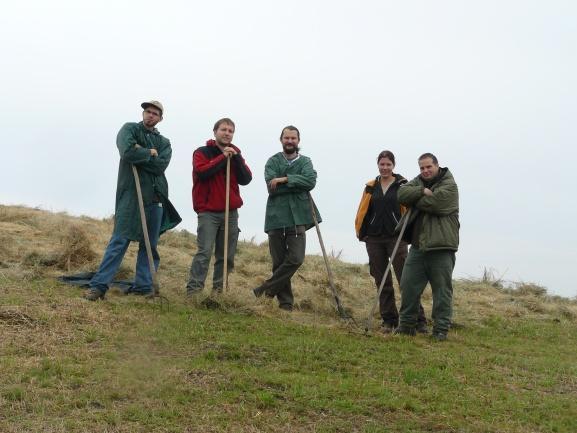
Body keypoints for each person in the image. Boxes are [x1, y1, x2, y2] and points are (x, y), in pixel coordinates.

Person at [85, 101, 181, 301]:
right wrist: (148, 153)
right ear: (143, 113)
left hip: (155, 197)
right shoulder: (129, 129)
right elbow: (126, 151)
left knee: (150, 244)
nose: (151, 115)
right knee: (120, 239)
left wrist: (140, 152)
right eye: (148, 111)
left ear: (160, 119)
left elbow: (159, 167)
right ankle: (98, 286)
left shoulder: (164, 142)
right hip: (131, 196)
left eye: (155, 113)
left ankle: (144, 286)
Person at [355, 150, 428, 333]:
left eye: (388, 164)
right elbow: (363, 210)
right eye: (382, 164)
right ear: (378, 165)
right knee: (381, 280)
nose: (385, 167)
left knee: (406, 280)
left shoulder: (403, 184)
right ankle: (389, 319)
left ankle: (418, 320)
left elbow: (413, 205)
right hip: (374, 238)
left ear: (393, 166)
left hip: (397, 237)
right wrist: (361, 232)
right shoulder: (371, 186)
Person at [253, 126, 320, 311]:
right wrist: (296, 182)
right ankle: (286, 304)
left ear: (298, 140)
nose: (290, 141)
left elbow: (310, 182)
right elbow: (270, 185)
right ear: (281, 140)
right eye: (286, 138)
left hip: (299, 217)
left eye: (293, 138)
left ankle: (264, 291)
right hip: (276, 217)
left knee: (296, 259)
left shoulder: (306, 161)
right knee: (278, 262)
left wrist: (283, 180)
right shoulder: (273, 161)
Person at [395, 153, 459, 340]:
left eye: (428, 167)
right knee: (408, 286)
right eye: (422, 168)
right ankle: (406, 326)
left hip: (441, 248)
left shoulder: (450, 185)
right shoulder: (419, 182)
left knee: (441, 291)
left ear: (437, 165)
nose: (425, 171)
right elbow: (401, 194)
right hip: (417, 247)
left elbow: (437, 204)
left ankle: (440, 329)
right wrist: (422, 192)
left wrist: (414, 199)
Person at [186, 118, 252, 296]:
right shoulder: (202, 152)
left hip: (230, 212)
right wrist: (222, 157)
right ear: (215, 131)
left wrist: (236, 158)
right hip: (208, 211)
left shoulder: (236, 154)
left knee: (226, 255)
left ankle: (219, 292)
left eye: (231, 131)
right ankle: (194, 291)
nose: (227, 133)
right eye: (223, 129)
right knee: (204, 252)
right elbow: (203, 172)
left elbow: (246, 179)